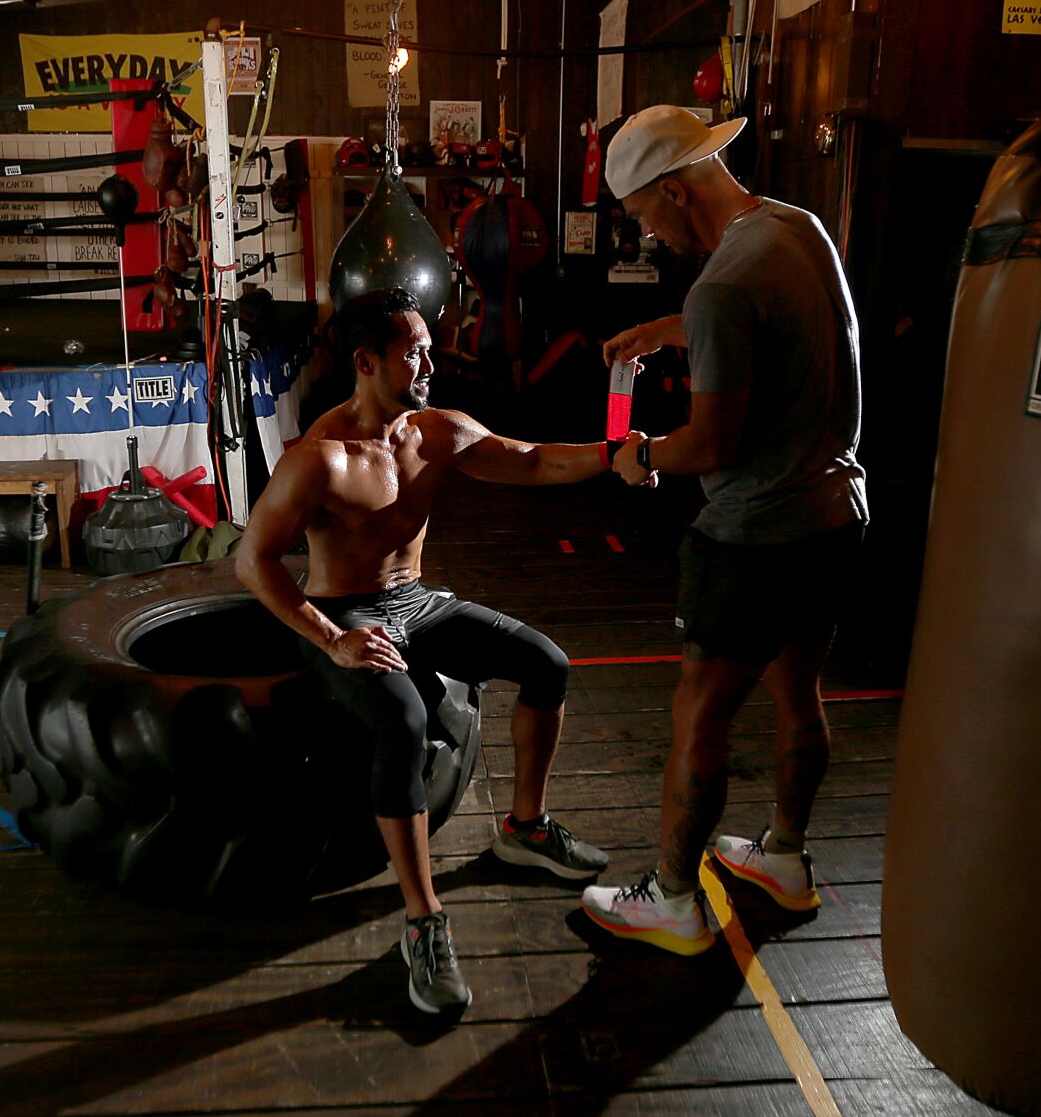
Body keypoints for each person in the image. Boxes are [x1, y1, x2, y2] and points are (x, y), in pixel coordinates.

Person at [235, 287, 629, 1015]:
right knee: (405, 721)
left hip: (416, 601)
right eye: (412, 352)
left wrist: (616, 455)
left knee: (548, 664)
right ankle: (423, 918)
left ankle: (524, 827)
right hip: (342, 614)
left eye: (426, 347)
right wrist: (335, 640)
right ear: (364, 362)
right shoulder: (317, 460)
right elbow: (250, 559)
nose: (429, 362)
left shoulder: (435, 433)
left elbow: (536, 460)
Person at [578, 105, 867, 955]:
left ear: (673, 189)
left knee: (700, 719)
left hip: (752, 539)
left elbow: (713, 444)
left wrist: (640, 455)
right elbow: (776, 331)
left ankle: (671, 897)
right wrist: (676, 333)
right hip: (834, 516)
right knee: (799, 695)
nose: (648, 234)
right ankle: (784, 855)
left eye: (643, 215)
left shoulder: (720, 286)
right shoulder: (794, 229)